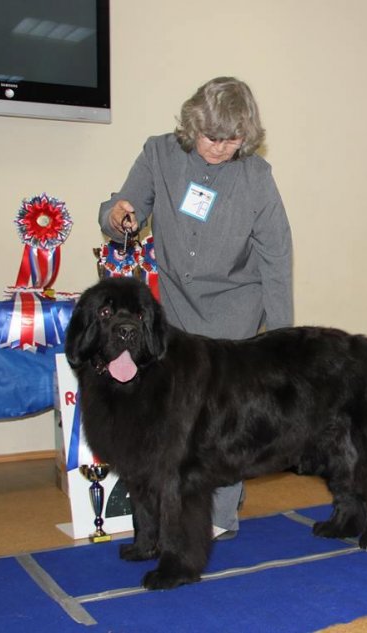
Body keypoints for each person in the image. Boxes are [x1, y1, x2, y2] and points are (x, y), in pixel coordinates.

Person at [99, 76, 293, 540]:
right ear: (192, 125)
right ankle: (186, 497)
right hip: (175, 308)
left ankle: (219, 515)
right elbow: (120, 208)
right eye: (211, 137)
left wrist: (281, 338)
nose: (219, 148)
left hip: (235, 308)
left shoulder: (257, 178)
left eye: (232, 139)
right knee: (179, 414)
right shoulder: (159, 154)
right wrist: (118, 214)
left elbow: (277, 259)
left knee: (225, 416)